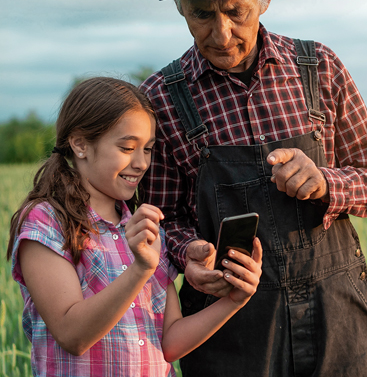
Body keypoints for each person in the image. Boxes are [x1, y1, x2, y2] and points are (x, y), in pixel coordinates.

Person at [139, 0, 367, 377]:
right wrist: (186, 255)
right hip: (231, 329)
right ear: (180, 9)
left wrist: (325, 182)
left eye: (236, 12)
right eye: (201, 14)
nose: (220, 34)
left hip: (336, 318)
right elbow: (156, 220)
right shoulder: (160, 98)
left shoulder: (320, 68)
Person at [6, 77, 262, 377]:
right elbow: (72, 335)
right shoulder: (47, 221)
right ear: (80, 144)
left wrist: (233, 301)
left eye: (149, 149)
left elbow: (168, 342)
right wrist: (140, 269)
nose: (141, 163)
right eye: (127, 147)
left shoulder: (144, 226)